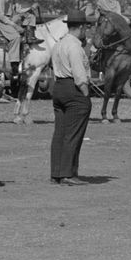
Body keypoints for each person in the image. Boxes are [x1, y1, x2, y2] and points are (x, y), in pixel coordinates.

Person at [48, 10, 94, 186]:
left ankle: (56, 173)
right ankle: (68, 173)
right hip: (73, 88)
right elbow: (79, 75)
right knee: (73, 133)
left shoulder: (59, 44)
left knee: (60, 133)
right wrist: (85, 93)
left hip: (59, 86)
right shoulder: (75, 46)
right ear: (81, 27)